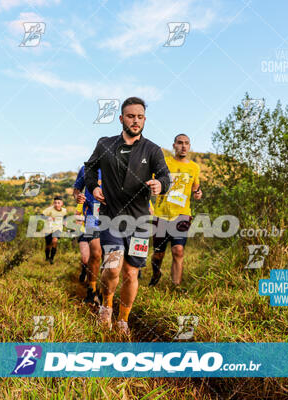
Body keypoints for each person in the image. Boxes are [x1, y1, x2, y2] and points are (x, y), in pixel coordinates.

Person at [84, 96, 170, 336]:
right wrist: (93, 187)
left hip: (141, 222)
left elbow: (165, 176)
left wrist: (159, 185)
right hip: (111, 216)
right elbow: (90, 168)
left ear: (144, 120)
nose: (136, 121)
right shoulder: (105, 144)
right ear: (121, 118)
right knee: (112, 267)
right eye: (131, 116)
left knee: (131, 272)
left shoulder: (152, 149)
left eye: (140, 117)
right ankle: (106, 307)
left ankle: (123, 321)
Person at [149, 134, 202, 288]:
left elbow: (195, 188)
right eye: (180, 143)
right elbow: (152, 183)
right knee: (158, 254)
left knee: (178, 250)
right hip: (161, 214)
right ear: (174, 145)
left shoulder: (194, 167)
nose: (183, 146)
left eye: (186, 143)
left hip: (182, 215)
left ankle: (176, 286)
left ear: (189, 146)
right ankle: (156, 273)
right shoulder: (164, 163)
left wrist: (198, 193)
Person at [73, 166, 103, 305]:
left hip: (115, 216)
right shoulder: (86, 169)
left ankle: (104, 291)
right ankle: (92, 290)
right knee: (96, 253)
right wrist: (78, 197)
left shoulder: (121, 165)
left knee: (110, 255)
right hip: (92, 217)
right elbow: (76, 190)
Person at [42, 196, 67, 264]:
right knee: (48, 245)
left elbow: (65, 217)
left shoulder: (64, 210)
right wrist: (48, 217)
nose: (57, 204)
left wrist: (65, 222)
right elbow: (42, 215)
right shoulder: (49, 209)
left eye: (58, 203)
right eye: (55, 203)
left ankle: (51, 259)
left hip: (58, 228)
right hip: (48, 229)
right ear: (53, 203)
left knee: (55, 240)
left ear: (61, 203)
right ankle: (47, 257)